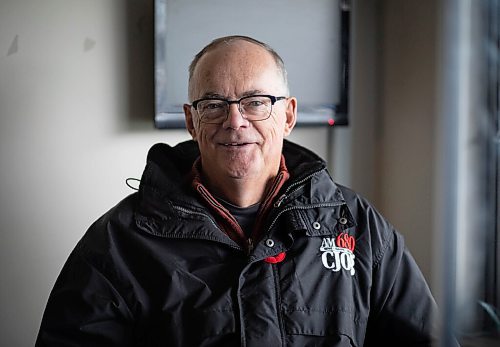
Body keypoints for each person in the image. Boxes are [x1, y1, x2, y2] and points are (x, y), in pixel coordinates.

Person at [36, 35, 437, 346]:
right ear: (191, 122)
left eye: (256, 102)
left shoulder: (359, 227)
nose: (234, 120)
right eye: (213, 104)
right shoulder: (118, 244)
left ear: (289, 115)